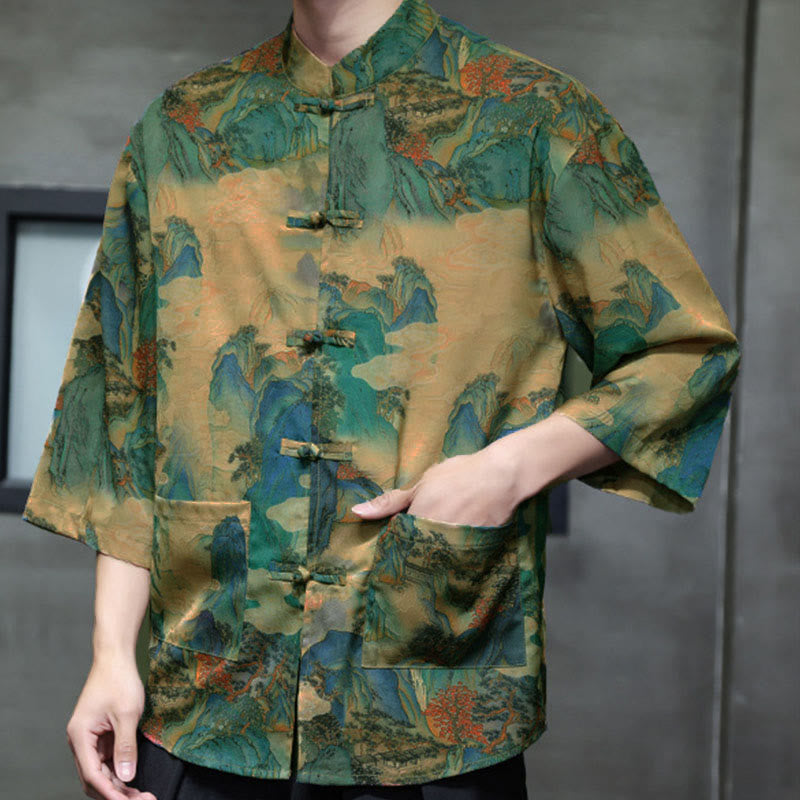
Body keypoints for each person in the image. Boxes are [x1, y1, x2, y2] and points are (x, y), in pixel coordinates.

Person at [21, 0, 741, 798]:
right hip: (205, 703)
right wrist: (111, 655)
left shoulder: (534, 118)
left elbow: (685, 353)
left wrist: (508, 470)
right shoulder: (181, 129)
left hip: (429, 706)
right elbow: (123, 403)